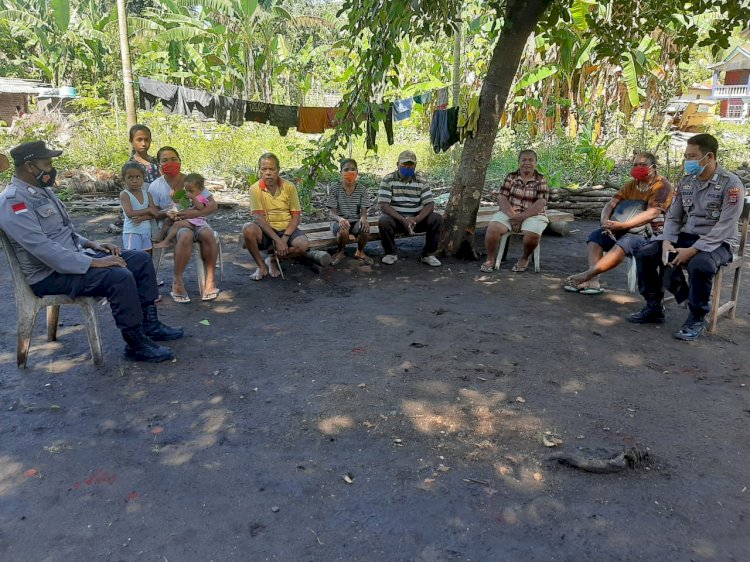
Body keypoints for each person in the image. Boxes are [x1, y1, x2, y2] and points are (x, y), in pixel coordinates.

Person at [0, 141, 183, 362]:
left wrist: (93, 246)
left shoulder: (42, 192)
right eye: (47, 164)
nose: (51, 169)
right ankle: (135, 343)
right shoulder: (13, 201)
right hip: (49, 275)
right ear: (30, 167)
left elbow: (63, 233)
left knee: (140, 259)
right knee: (119, 275)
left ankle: (150, 325)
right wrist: (96, 263)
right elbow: (43, 248)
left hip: (73, 261)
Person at [628, 133, 745, 341]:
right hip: (687, 235)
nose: (688, 161)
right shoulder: (687, 182)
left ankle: (696, 317)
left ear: (709, 157)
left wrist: (693, 250)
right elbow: (674, 216)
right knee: (646, 253)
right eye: (686, 156)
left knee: (700, 265)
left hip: (718, 241)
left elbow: (726, 225)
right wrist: (666, 241)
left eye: (692, 156)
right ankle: (654, 307)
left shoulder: (731, 184)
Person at [564, 153, 673, 294]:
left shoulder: (662, 186)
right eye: (635, 164)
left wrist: (623, 226)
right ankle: (593, 281)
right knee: (596, 237)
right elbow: (611, 204)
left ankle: (587, 275)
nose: (638, 167)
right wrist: (604, 221)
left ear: (653, 167)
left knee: (625, 243)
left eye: (642, 165)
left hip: (650, 234)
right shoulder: (631, 185)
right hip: (624, 229)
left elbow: (652, 213)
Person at [148, 147, 219, 302]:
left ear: (180, 161)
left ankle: (210, 279)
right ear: (159, 165)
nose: (170, 163)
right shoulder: (155, 186)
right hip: (175, 225)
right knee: (185, 234)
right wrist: (167, 213)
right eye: (165, 160)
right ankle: (177, 281)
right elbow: (153, 212)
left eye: (174, 159)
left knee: (208, 234)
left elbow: (213, 205)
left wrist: (195, 213)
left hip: (197, 221)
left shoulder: (191, 181)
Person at [242, 153, 310, 280]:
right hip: (267, 230)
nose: (268, 173)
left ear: (278, 170)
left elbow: (296, 217)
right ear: (259, 170)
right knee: (248, 229)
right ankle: (261, 266)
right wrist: (278, 241)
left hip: (287, 228)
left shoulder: (289, 187)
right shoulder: (255, 189)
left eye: (271, 169)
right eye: (264, 169)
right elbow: (258, 218)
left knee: (302, 245)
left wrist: (284, 239)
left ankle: (273, 259)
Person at [482, 149, 548, 272]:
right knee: (493, 227)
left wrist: (520, 218)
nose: (527, 163)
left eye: (530, 160)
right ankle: (490, 259)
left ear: (535, 163)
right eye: (524, 160)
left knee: (533, 233)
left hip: (533, 215)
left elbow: (541, 202)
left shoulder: (541, 179)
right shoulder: (511, 177)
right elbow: (502, 197)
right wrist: (513, 216)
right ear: (519, 162)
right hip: (510, 212)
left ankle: (524, 258)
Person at [377, 150, 442, 266]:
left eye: (410, 165)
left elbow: (430, 204)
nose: (407, 167)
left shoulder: (421, 181)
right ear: (397, 164)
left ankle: (428, 254)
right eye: (404, 164)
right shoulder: (388, 180)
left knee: (436, 218)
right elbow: (383, 205)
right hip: (397, 220)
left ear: (415, 166)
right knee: (384, 221)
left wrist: (415, 219)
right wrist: (403, 219)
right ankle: (390, 253)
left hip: (416, 221)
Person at [325, 158, 373, 265]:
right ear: (341, 172)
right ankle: (340, 251)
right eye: (346, 170)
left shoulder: (362, 189)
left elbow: (364, 212)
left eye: (353, 169)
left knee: (365, 228)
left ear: (357, 172)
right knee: (343, 229)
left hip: (355, 220)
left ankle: (360, 252)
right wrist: (340, 219)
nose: (349, 172)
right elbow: (332, 213)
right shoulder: (335, 188)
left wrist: (363, 218)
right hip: (338, 221)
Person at [154, 173, 209, 249]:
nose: (188, 193)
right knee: (167, 221)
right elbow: (178, 201)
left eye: (191, 191)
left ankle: (166, 242)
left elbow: (200, 208)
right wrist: (172, 197)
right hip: (186, 218)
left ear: (201, 189)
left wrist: (193, 198)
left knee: (177, 224)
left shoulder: (201, 198)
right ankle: (160, 237)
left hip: (196, 221)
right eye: (186, 190)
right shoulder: (187, 196)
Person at [119, 162, 159, 252]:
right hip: (132, 232)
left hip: (146, 232)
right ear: (124, 180)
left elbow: (155, 214)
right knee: (134, 259)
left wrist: (143, 218)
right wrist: (148, 209)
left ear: (143, 178)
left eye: (138, 177)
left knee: (147, 258)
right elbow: (130, 213)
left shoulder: (147, 194)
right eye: (130, 177)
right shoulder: (125, 194)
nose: (134, 181)